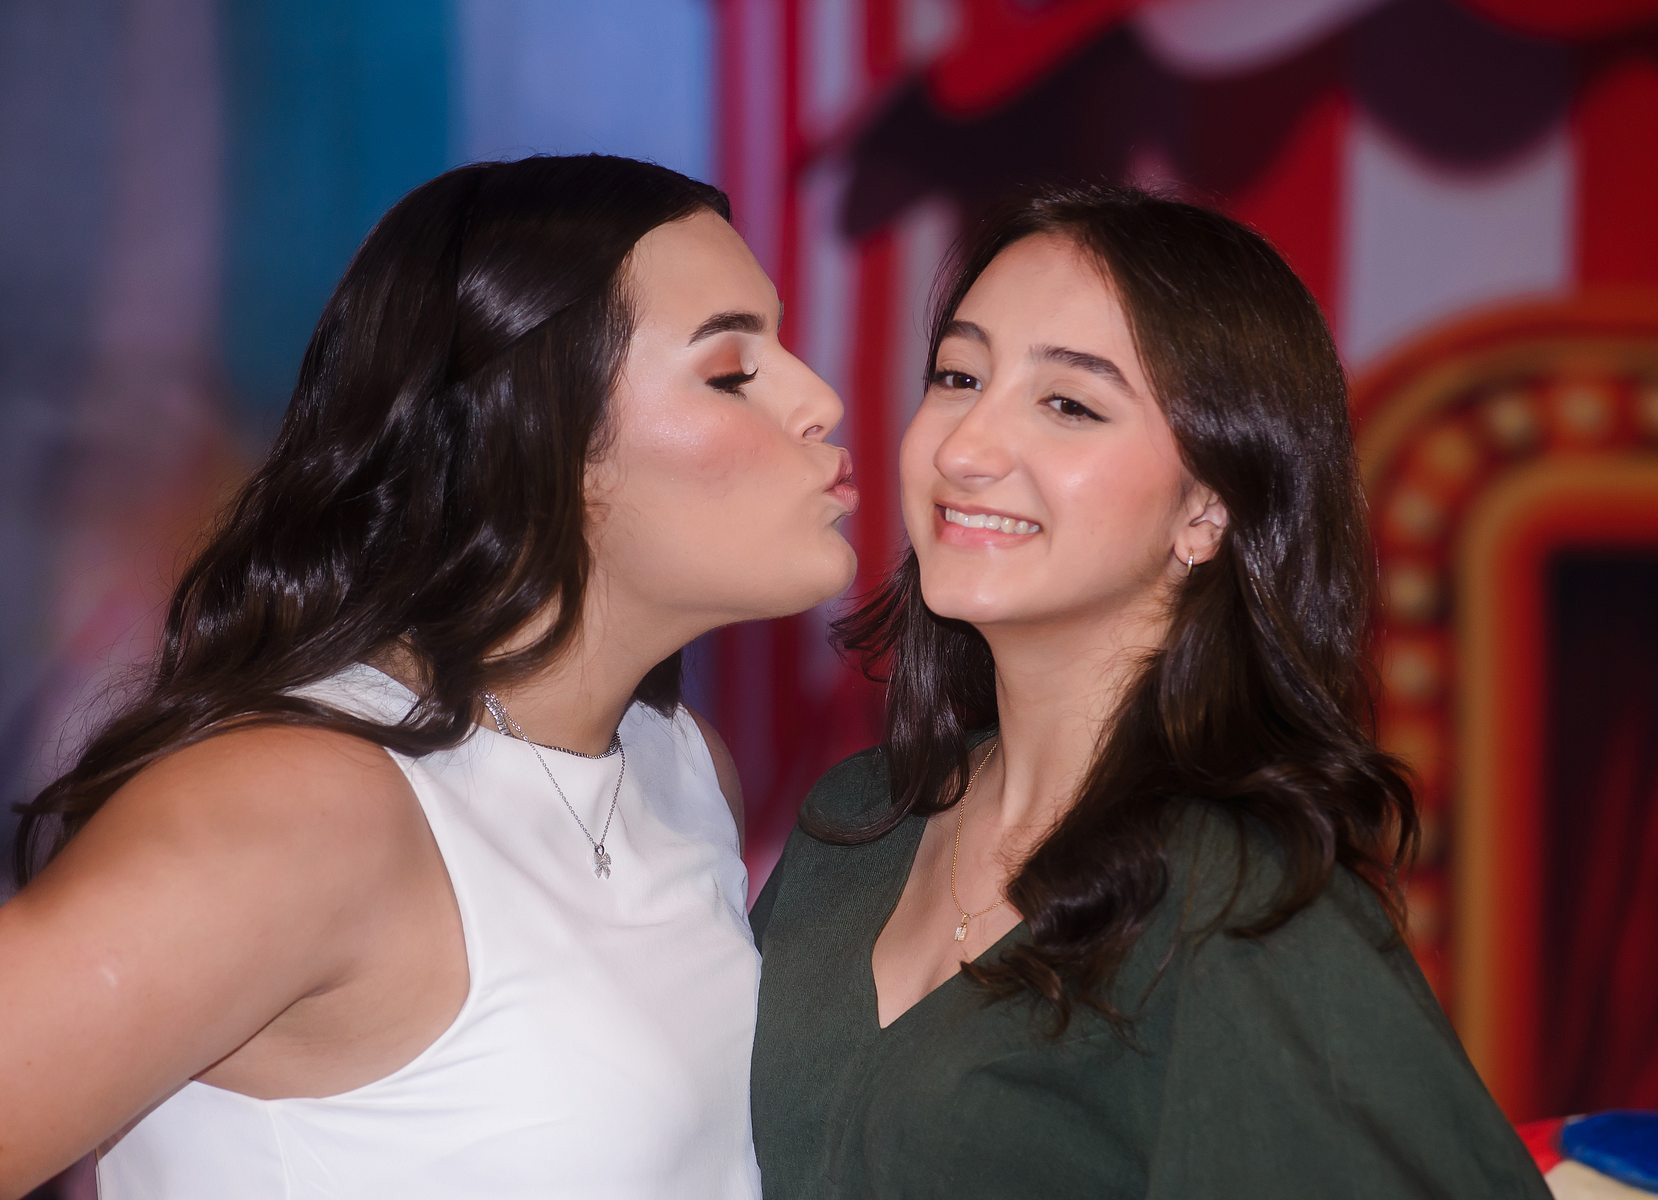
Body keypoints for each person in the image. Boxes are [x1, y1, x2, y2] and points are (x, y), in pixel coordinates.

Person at [0, 153, 857, 1198]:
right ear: (541, 431)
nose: (820, 400)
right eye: (730, 373)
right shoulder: (302, 808)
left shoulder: (679, 765)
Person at [749, 185, 1551, 1197]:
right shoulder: (853, 825)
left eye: (1068, 404)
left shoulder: (1240, 895)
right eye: (957, 376)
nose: (964, 448)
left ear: (1207, 508)